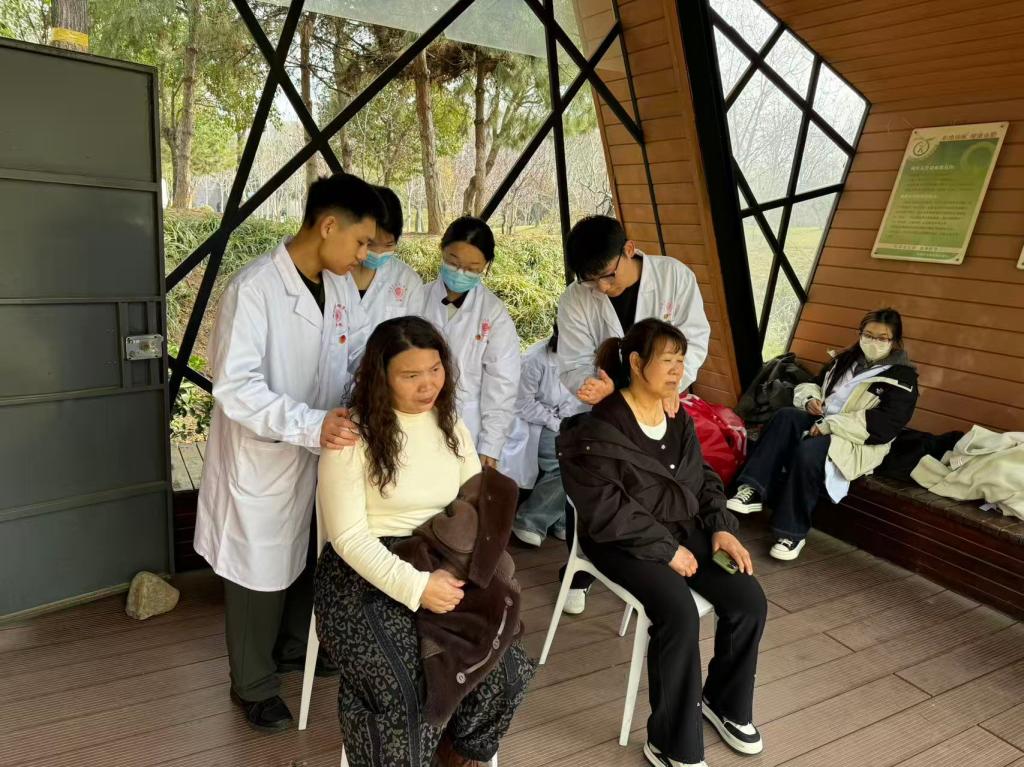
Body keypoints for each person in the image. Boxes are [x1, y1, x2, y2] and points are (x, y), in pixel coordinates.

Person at [194, 173, 383, 731]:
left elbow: (352, 355)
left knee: (308, 555)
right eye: (361, 241)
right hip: (266, 457)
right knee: (258, 574)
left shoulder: (340, 287)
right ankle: (252, 684)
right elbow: (236, 387)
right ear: (328, 226)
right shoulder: (254, 290)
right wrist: (309, 424)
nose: (364, 255)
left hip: (320, 450)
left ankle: (294, 651)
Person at [313, 316, 534, 767]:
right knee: (403, 683)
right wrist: (417, 587)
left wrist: (456, 570)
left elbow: (475, 503)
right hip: (364, 573)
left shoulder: (450, 425)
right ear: (380, 377)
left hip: (444, 557)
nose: (428, 384)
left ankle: (455, 756)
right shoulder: (352, 435)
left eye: (435, 369)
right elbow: (349, 537)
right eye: (410, 375)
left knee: (504, 668)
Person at [558, 318, 766, 767]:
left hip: (682, 528)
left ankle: (723, 703)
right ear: (636, 363)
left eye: (680, 360)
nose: (677, 370)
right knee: (678, 612)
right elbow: (607, 511)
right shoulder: (597, 429)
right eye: (667, 360)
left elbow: (702, 478)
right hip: (619, 541)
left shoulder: (677, 418)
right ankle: (670, 742)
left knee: (748, 599)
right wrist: (666, 550)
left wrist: (721, 526)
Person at [555, 215, 712, 613]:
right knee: (595, 484)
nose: (602, 288)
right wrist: (602, 391)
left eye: (607, 276)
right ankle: (580, 572)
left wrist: (670, 386)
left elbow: (694, 343)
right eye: (591, 281)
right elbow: (573, 363)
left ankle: (656, 552)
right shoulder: (576, 298)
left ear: (629, 249)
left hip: (659, 405)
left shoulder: (674, 277)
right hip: (602, 411)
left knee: (653, 482)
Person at [728, 308, 918, 561]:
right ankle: (752, 488)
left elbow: (885, 426)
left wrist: (830, 425)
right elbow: (815, 384)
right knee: (785, 417)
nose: (873, 342)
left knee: (810, 451)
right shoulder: (845, 360)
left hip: (859, 440)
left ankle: (791, 532)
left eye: (882, 338)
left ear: (894, 341)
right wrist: (810, 400)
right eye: (868, 335)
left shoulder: (902, 378)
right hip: (824, 421)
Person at [417, 216, 520, 468]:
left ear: (485, 266)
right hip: (415, 417)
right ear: (442, 250)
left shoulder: (493, 312)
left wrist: (491, 444)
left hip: (468, 425)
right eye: (453, 262)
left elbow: (502, 382)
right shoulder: (417, 298)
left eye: (472, 268)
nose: (460, 272)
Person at [499, 320, 586, 547]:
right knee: (564, 462)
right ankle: (529, 521)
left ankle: (560, 519)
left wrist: (568, 421)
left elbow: (574, 398)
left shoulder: (579, 360)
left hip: (561, 421)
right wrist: (556, 422)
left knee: (586, 456)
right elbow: (522, 403)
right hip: (533, 422)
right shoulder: (535, 360)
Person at [350, 185, 424, 327]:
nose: (378, 252)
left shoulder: (408, 281)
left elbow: (412, 333)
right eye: (370, 244)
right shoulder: (336, 271)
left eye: (388, 245)